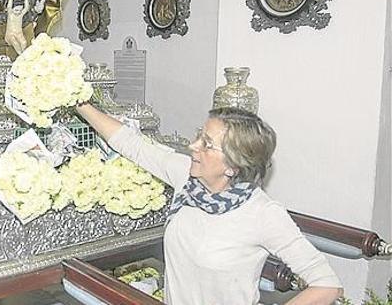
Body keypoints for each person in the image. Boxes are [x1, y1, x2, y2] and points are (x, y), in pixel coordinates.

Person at [75, 103, 343, 304]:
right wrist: (79, 100)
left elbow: (327, 285)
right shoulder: (187, 178)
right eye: (199, 136)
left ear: (233, 166)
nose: (193, 146)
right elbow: (131, 144)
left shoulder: (262, 214)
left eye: (207, 144)